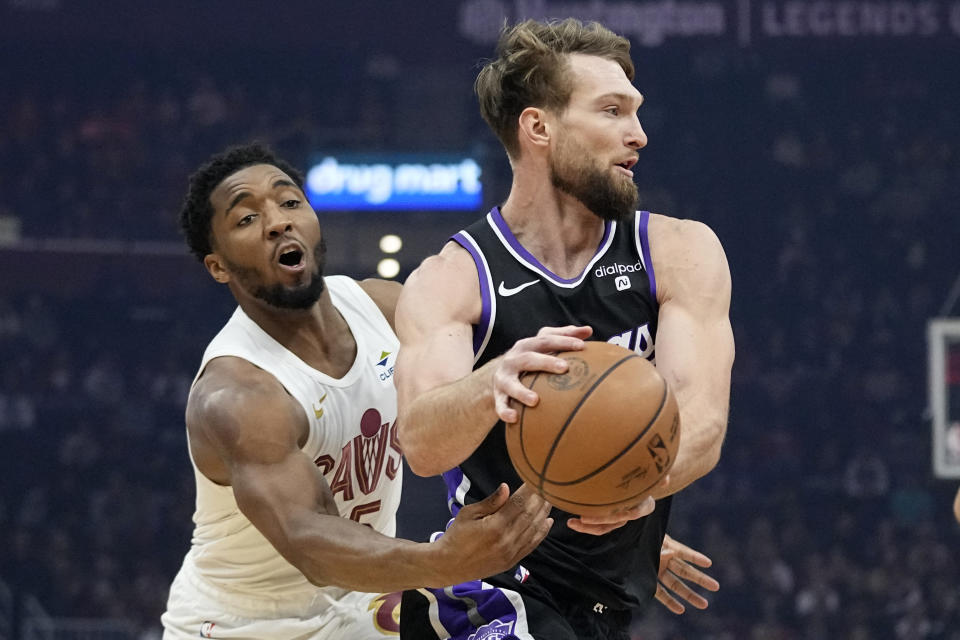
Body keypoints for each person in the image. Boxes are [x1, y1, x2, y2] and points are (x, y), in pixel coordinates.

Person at [394, 18, 734, 640]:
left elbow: (703, 420)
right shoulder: (454, 278)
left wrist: (633, 486)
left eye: (636, 112)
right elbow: (421, 444)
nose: (639, 135)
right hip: (489, 595)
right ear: (539, 127)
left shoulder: (680, 251)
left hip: (606, 602)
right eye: (612, 111)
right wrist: (495, 379)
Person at [160, 143, 556, 639]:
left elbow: (498, 397)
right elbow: (309, 540)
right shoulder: (238, 392)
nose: (278, 222)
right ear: (218, 267)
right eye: (246, 219)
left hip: (361, 604)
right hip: (246, 625)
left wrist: (600, 495)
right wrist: (441, 560)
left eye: (289, 202)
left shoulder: (384, 307)